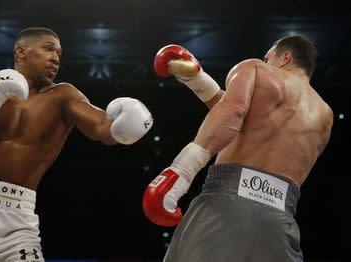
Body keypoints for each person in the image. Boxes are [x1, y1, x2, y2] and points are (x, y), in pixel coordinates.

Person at [0, 27, 153, 262]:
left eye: (58, 53)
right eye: (48, 49)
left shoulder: (63, 97)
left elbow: (103, 128)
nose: (56, 58)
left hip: (15, 227)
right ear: (21, 52)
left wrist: (126, 124)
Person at [142, 35, 333, 261]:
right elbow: (248, 121)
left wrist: (182, 171)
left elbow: (233, 114)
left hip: (226, 206)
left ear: (286, 57)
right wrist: (198, 80)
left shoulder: (255, 68)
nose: (265, 61)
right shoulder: (325, 115)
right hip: (281, 221)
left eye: (268, 57)